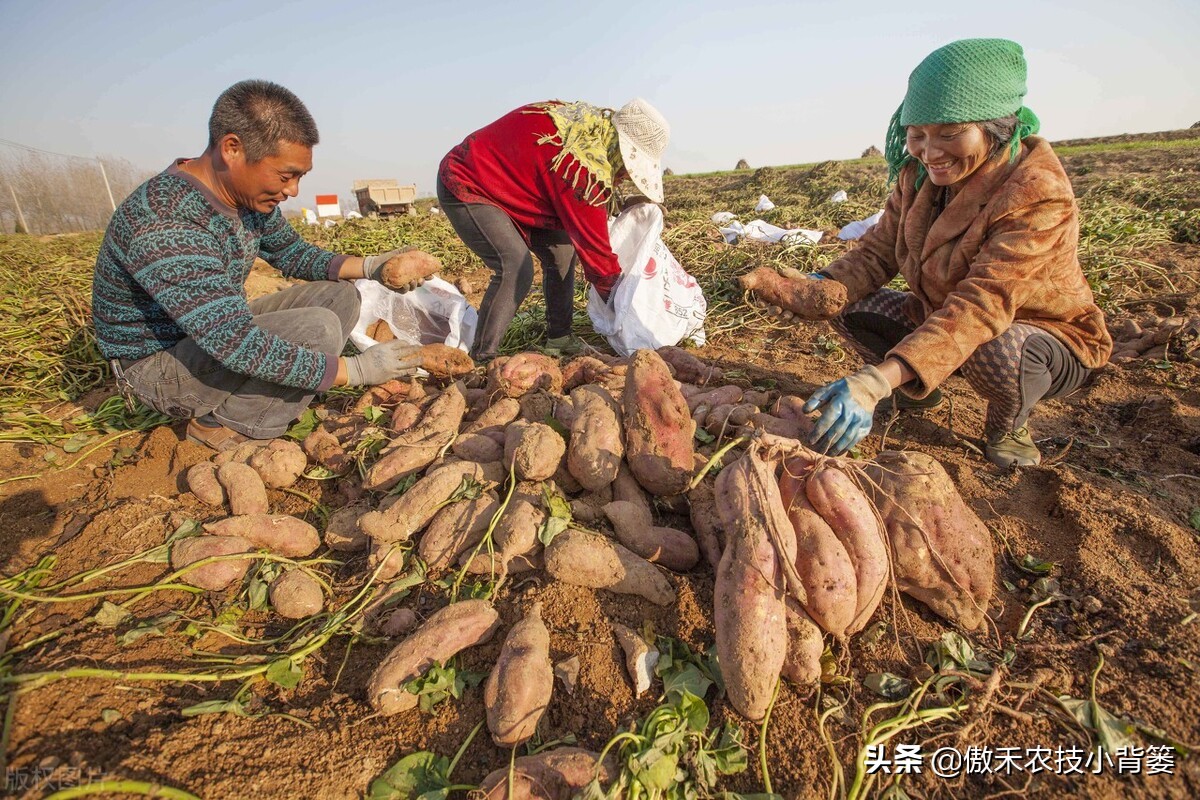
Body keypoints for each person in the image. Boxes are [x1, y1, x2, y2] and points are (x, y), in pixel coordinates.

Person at [790, 39, 1112, 467]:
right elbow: (878, 254)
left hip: (1040, 339)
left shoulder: (1037, 193)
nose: (930, 151)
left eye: (950, 133)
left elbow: (982, 306)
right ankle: (915, 388)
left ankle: (1008, 427)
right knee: (843, 300)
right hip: (944, 319)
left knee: (995, 348)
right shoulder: (917, 175)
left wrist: (872, 382)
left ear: (995, 128)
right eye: (917, 135)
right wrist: (812, 289)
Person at [92, 79, 440, 451]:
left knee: (341, 298)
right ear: (232, 149)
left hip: (206, 335)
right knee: (316, 329)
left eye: (299, 178)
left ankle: (269, 392)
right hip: (158, 370)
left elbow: (293, 254)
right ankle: (226, 426)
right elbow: (235, 341)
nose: (292, 191)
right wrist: (357, 371)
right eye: (285, 175)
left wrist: (373, 266)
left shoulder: (245, 198)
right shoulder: (165, 220)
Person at [437, 98, 670, 362]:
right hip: (468, 181)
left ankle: (559, 338)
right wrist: (628, 308)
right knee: (515, 266)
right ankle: (483, 357)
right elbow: (599, 261)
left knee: (562, 251)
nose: (626, 176)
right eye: (628, 170)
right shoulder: (582, 170)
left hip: (516, 190)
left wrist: (624, 207)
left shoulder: (591, 130)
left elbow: (584, 206)